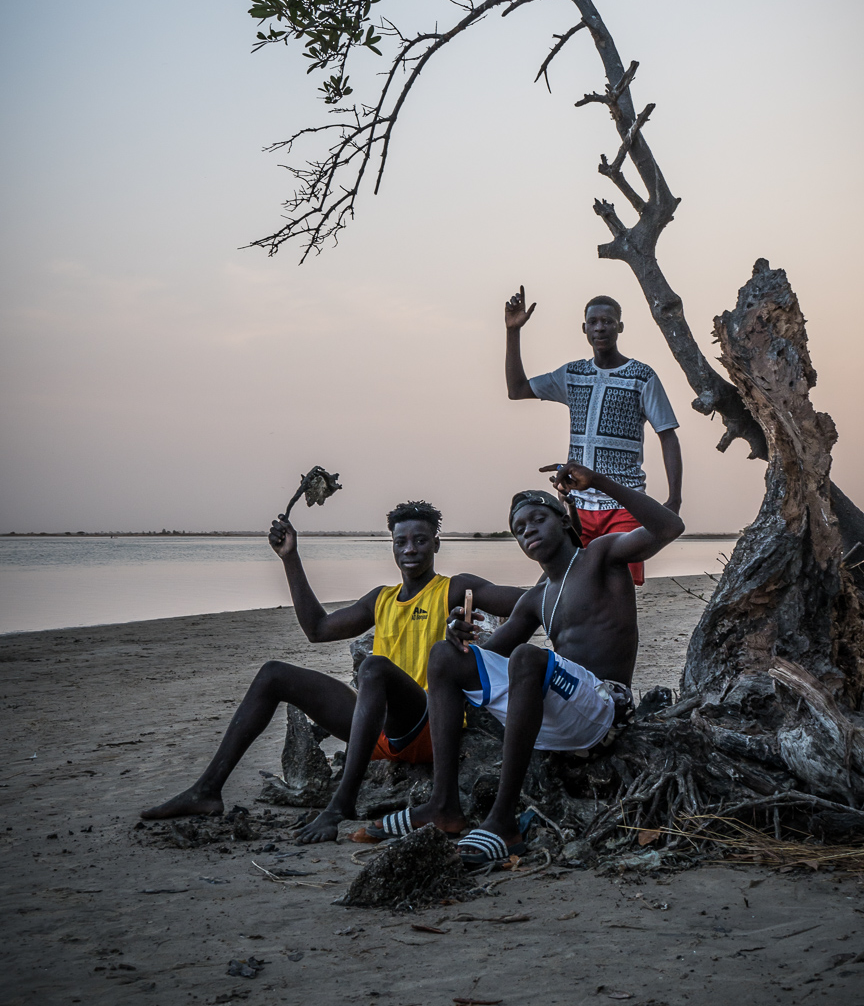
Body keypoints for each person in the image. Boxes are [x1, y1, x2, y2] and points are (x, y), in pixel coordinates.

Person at [140, 500, 523, 843]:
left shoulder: (455, 589)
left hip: (427, 726)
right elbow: (317, 630)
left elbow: (531, 602)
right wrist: (290, 557)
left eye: (420, 540)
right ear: (391, 544)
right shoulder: (381, 599)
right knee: (274, 673)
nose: (410, 549)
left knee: (373, 667)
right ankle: (207, 790)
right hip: (381, 733)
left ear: (436, 545)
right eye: (401, 541)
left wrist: (568, 553)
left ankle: (340, 805)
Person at [370, 460, 684, 867]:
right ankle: (443, 806)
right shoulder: (537, 597)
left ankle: (503, 822)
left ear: (564, 521)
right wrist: (457, 637)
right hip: (559, 718)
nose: (528, 530)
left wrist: (601, 482)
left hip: (607, 709)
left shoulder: (601, 555)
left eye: (537, 519)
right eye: (519, 529)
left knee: (528, 656)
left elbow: (669, 528)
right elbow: (479, 659)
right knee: (445, 656)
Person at [504, 286, 682, 583]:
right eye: (594, 322)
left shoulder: (642, 376)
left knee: (618, 586)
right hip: (578, 505)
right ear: (584, 328)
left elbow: (668, 436)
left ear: (619, 327)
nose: (600, 327)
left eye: (608, 321)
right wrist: (513, 332)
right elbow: (517, 390)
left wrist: (674, 499)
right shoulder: (571, 374)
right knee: (574, 585)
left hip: (624, 503)